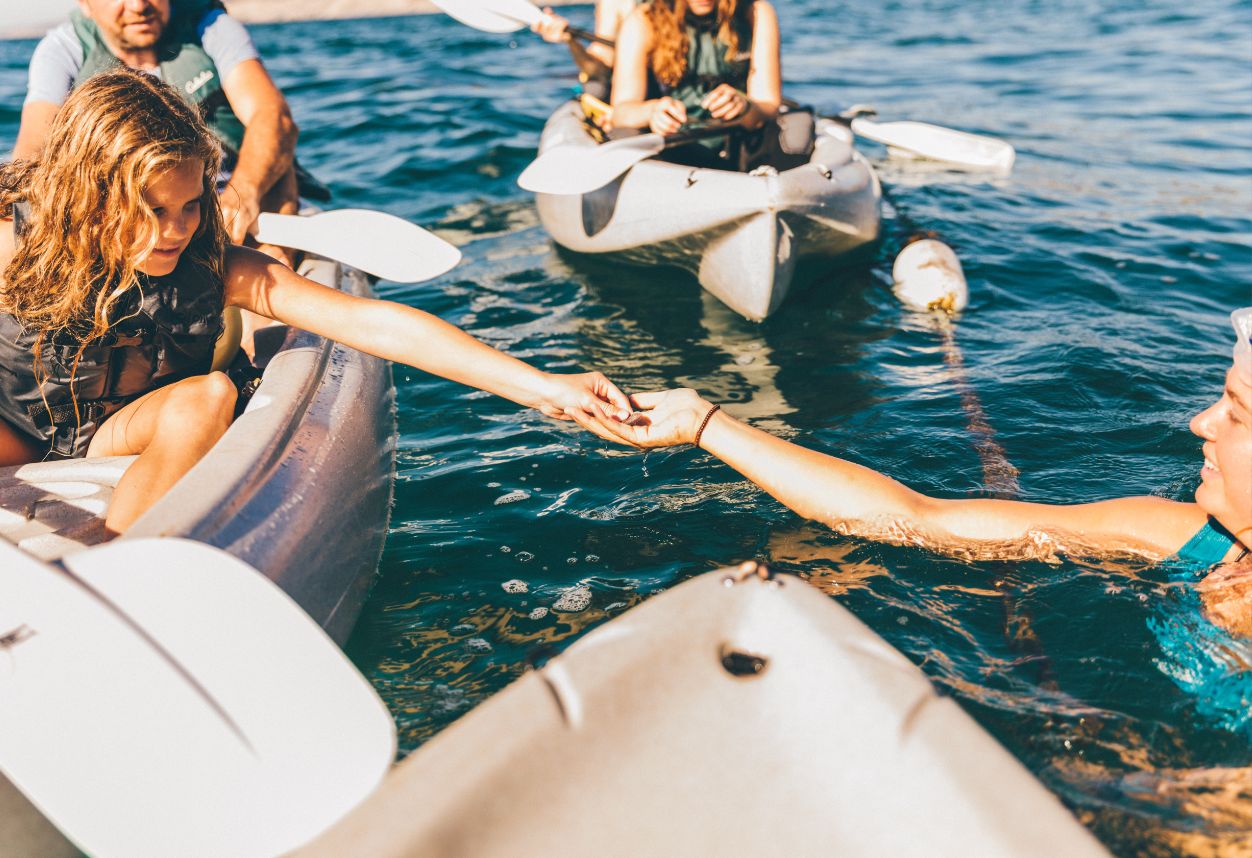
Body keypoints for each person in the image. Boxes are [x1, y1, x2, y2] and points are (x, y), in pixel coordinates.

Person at [0, 70, 631, 535]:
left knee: (211, 395)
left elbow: (374, 325)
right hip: (16, 432)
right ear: (93, 195)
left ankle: (116, 566)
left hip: (114, 429)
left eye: (192, 205)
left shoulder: (208, 267)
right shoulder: (16, 245)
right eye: (154, 211)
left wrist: (547, 388)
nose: (177, 229)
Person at [573, 310, 1252, 632]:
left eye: (1238, 413)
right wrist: (704, 425)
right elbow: (915, 519)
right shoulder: (1185, 536)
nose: (1200, 422)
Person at [12, 0, 306, 259]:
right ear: (86, 4)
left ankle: (267, 302)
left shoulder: (211, 27)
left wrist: (243, 195)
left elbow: (273, 117)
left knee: (281, 170)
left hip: (232, 197)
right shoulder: (64, 49)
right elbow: (32, 150)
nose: (139, 6)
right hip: (131, 212)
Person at [608, 0, 782, 169]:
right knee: (622, 135)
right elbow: (621, 111)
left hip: (737, 143)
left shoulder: (756, 13)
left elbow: (769, 105)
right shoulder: (642, 20)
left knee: (799, 128)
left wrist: (744, 107)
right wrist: (652, 111)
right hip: (672, 145)